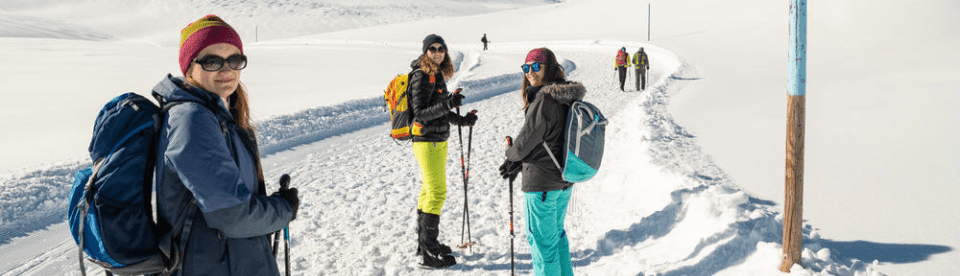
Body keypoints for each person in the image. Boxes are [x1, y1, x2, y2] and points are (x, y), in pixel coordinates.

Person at [153, 15, 299, 276]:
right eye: (211, 61)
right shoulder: (193, 120)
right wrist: (283, 210)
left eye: (235, 60)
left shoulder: (218, 117)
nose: (226, 70)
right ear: (189, 68)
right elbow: (231, 217)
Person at [500, 48, 583, 276]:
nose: (530, 72)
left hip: (542, 185)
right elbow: (547, 137)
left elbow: (524, 142)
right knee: (556, 238)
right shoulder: (564, 95)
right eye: (526, 68)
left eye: (536, 66)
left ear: (550, 67)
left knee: (542, 245)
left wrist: (510, 153)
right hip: (562, 180)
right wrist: (519, 159)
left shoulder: (545, 98)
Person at [409, 34, 478, 269]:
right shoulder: (422, 75)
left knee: (429, 190)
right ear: (425, 52)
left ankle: (426, 245)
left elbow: (438, 111)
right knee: (437, 192)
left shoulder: (435, 73)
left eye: (441, 48)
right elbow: (421, 114)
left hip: (435, 139)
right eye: (432, 49)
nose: (437, 52)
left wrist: (462, 120)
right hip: (428, 140)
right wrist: (448, 103)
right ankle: (428, 254)